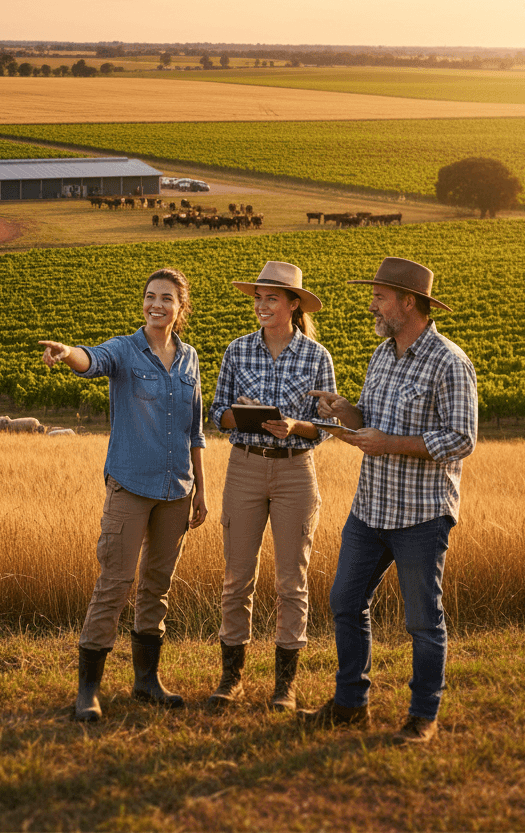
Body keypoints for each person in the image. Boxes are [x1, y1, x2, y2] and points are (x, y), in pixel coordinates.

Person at [300, 257, 477, 744]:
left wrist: (391, 443)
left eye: (379, 296)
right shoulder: (382, 355)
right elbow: (370, 421)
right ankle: (350, 704)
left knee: (422, 620)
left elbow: (462, 438)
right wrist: (346, 411)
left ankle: (422, 716)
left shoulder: (449, 362)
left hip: (421, 515)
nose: (372, 304)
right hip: (371, 508)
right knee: (345, 600)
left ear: (409, 302)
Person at [39, 268, 207, 722]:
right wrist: (67, 353)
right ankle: (88, 690)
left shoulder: (190, 358)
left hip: (177, 490)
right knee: (114, 584)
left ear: (180, 308)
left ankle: (147, 682)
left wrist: (201, 489)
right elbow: (92, 360)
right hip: (130, 485)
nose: (157, 305)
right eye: (151, 296)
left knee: (157, 586)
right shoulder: (124, 350)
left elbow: (195, 429)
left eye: (167, 298)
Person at [207, 261, 336, 713]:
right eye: (258, 298)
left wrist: (295, 426)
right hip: (244, 467)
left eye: (272, 299)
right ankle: (232, 679)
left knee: (291, 581)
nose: (261, 306)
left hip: (295, 471)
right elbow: (216, 413)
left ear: (293, 304)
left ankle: (285, 687)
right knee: (236, 577)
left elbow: (325, 426)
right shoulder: (237, 350)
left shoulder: (317, 357)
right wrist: (240, 414)